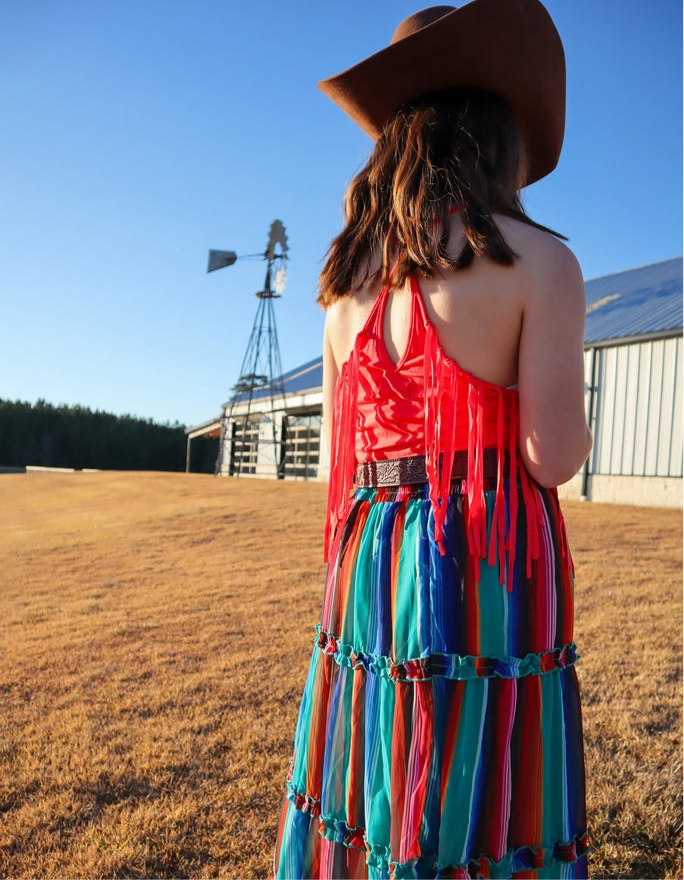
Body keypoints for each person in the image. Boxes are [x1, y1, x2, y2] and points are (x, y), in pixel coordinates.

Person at [274, 1, 592, 877]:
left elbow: (341, 458)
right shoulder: (539, 263)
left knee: (376, 751)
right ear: (497, 131)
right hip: (481, 548)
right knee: (476, 762)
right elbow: (552, 457)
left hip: (371, 551)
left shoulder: (343, 285)